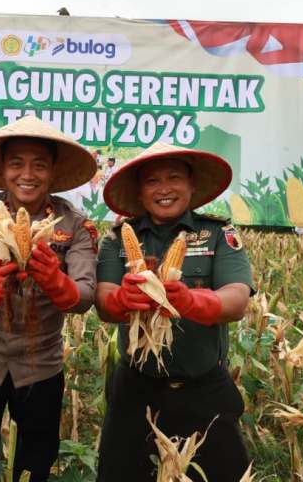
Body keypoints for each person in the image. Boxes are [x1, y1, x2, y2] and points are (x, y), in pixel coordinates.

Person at [0, 116, 98, 482]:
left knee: (34, 466)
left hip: (41, 366)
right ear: (3, 169)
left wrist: (57, 282)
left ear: (53, 172)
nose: (27, 174)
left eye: (39, 165)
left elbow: (84, 295)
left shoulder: (75, 224)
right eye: (16, 163)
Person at [94, 142, 253, 481]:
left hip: (203, 387)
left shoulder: (219, 234)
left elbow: (237, 299)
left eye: (174, 178)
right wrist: (121, 300)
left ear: (192, 186)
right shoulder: (117, 239)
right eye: (152, 181)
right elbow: (104, 301)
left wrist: (192, 302)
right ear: (139, 192)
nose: (164, 188)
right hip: (136, 389)